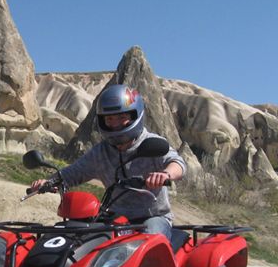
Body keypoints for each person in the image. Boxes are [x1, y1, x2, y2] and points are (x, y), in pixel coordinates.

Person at [29, 84, 186, 239]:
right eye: (110, 118)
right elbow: (73, 173)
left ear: (134, 115)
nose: (115, 123)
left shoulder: (151, 143)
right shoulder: (101, 152)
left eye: (122, 117)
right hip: (116, 219)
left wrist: (165, 174)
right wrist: (49, 182)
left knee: (150, 239)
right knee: (82, 241)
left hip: (152, 218)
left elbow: (177, 163)